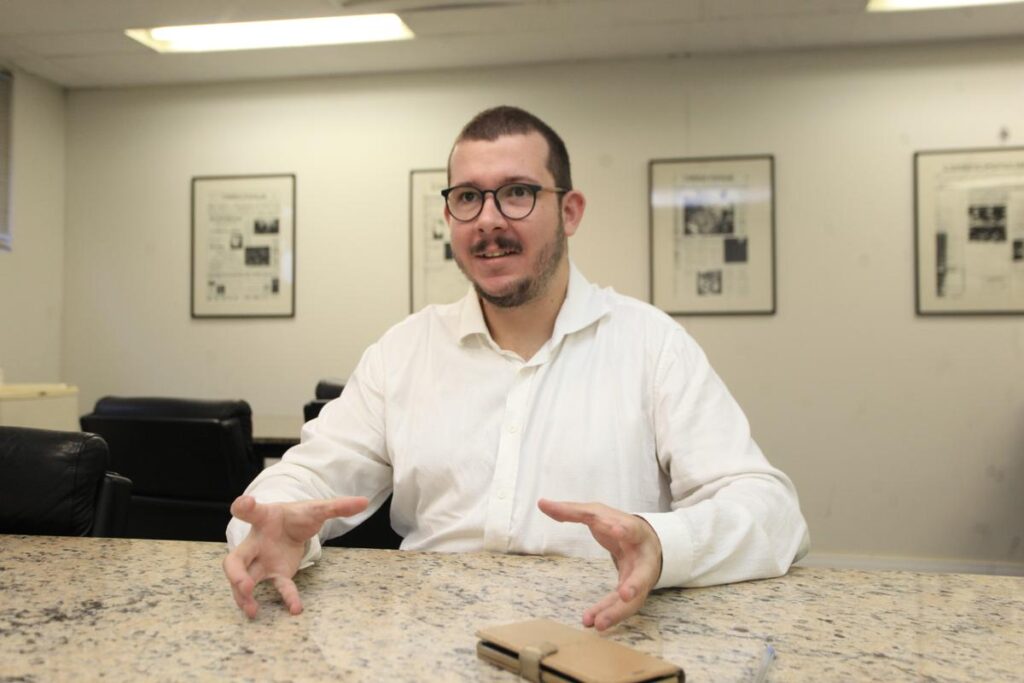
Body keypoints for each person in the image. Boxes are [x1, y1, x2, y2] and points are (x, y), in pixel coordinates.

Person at [224, 106, 809, 630]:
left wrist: (662, 541)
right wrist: (272, 521)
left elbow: (772, 512)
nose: (489, 220)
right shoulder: (404, 351)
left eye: (518, 193)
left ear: (570, 211)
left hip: (598, 635)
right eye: (468, 197)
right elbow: (308, 478)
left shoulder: (652, 346)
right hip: (426, 643)